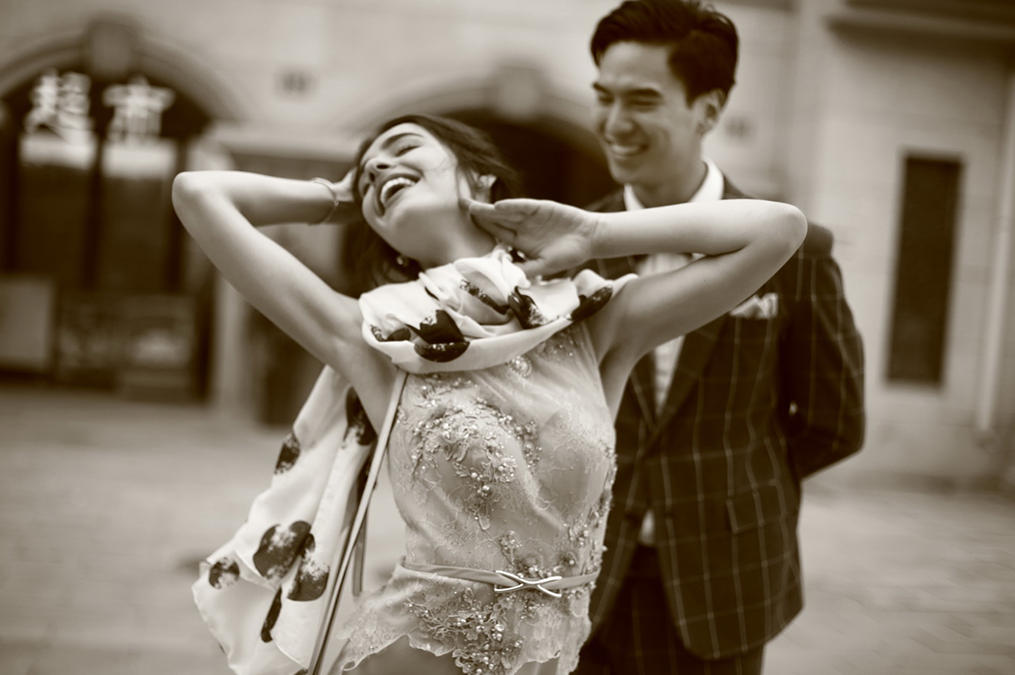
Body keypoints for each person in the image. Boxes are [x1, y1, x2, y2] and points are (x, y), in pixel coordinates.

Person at [174, 113, 805, 675]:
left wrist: (594, 233)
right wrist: (337, 196)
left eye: (403, 148)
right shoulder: (376, 339)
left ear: (480, 178)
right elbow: (198, 194)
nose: (379, 169)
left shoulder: (591, 320)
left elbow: (778, 229)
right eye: (368, 176)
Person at [574, 2, 866, 674]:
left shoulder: (794, 250)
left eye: (641, 100)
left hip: (724, 580)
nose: (614, 123)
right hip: (579, 574)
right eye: (603, 97)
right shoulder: (571, 248)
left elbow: (834, 423)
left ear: (709, 109)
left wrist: (733, 479)